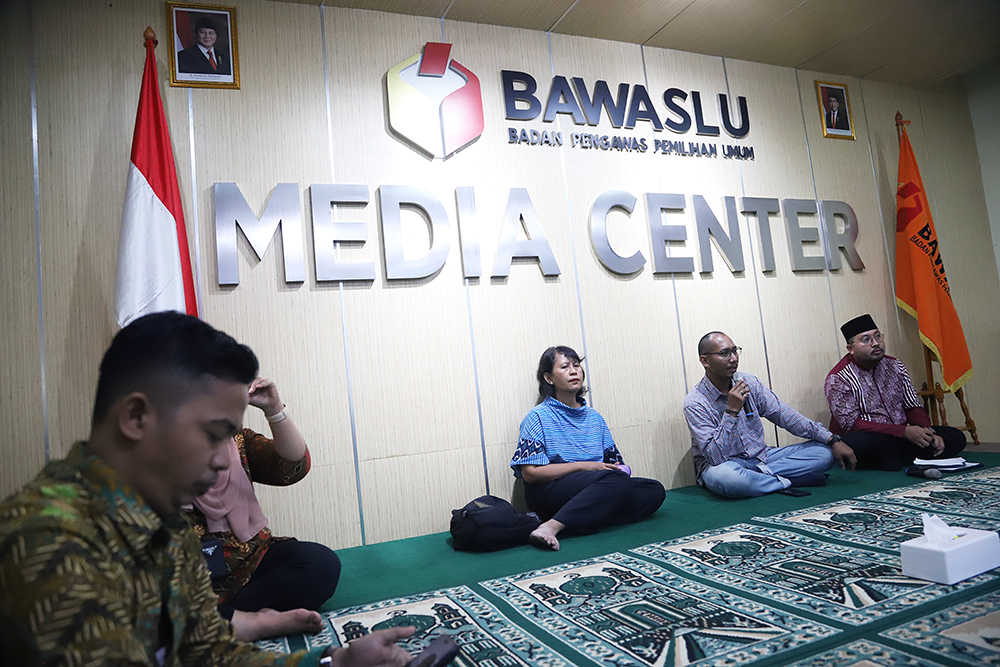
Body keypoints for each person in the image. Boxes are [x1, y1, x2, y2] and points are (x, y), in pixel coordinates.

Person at [0, 311, 413, 666]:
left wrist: (332, 660)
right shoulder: (49, 542)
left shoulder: (162, 525)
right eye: (213, 435)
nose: (222, 460)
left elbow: (211, 654)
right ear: (137, 417)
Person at [185, 377, 341, 642]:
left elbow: (292, 467)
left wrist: (274, 409)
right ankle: (250, 622)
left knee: (322, 565)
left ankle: (227, 621)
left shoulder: (234, 440)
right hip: (191, 582)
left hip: (250, 564)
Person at [509, 346, 665, 551]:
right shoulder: (538, 416)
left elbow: (612, 465)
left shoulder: (594, 418)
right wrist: (585, 466)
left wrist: (615, 468)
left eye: (576, 365)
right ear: (548, 378)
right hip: (550, 490)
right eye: (565, 367)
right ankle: (551, 526)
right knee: (616, 483)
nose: (574, 371)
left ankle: (579, 520)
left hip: (595, 487)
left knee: (653, 490)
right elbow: (530, 474)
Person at [683, 331, 857, 499]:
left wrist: (832, 439)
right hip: (726, 466)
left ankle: (761, 479)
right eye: (724, 353)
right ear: (705, 361)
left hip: (764, 459)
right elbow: (716, 457)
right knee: (727, 478)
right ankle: (789, 481)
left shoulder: (748, 382)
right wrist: (732, 411)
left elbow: (784, 415)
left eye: (735, 350)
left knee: (825, 453)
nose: (734, 358)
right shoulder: (696, 402)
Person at [825, 314, 966, 471]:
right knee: (859, 442)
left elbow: (913, 406)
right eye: (866, 339)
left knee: (956, 437)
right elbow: (851, 424)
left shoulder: (895, 366)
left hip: (900, 436)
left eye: (878, 336)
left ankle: (890, 460)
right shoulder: (838, 377)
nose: (876, 343)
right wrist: (903, 432)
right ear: (850, 349)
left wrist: (927, 432)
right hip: (869, 436)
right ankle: (913, 456)